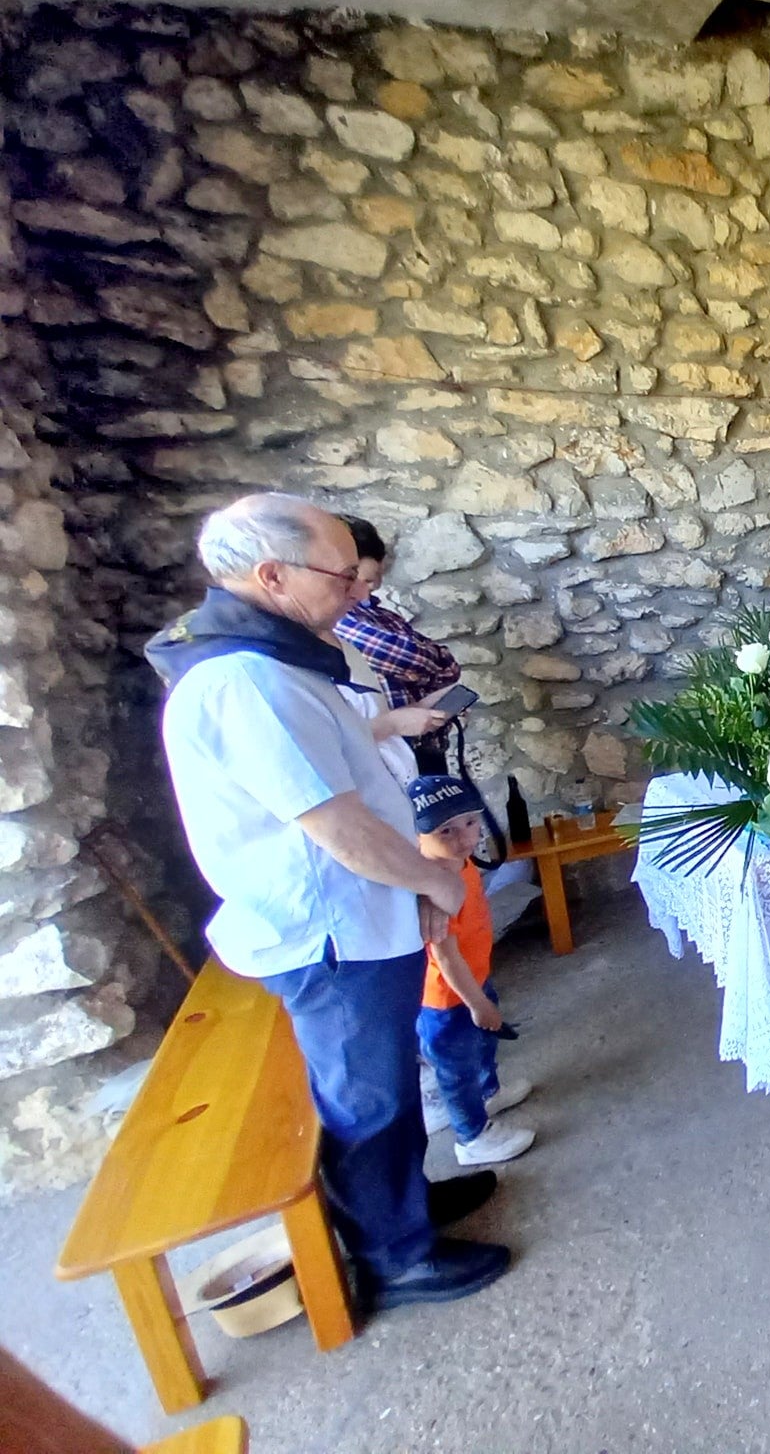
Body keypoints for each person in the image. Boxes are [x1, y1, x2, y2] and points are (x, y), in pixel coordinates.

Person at [149, 492, 509, 1311]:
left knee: (386, 1076)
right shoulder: (242, 682)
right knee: (367, 1096)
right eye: (343, 575)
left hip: (359, 915)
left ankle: (403, 1205)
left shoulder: (276, 660)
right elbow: (339, 827)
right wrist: (434, 881)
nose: (358, 591)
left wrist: (413, 892)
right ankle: (397, 1256)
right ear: (272, 575)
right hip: (329, 932)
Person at [408, 775, 536, 1167]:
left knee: (483, 1046)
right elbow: (445, 957)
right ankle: (471, 1136)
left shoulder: (458, 863)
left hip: (474, 978)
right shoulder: (433, 884)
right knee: (455, 1069)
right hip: (447, 1001)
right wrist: (478, 1003)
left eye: (469, 822)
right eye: (445, 830)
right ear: (418, 836)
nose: (464, 837)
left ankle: (488, 1092)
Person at [334, 516, 463, 776]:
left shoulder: (386, 617)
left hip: (425, 747)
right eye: (365, 581)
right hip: (389, 756)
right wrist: (429, 672)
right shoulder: (341, 620)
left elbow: (449, 668)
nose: (367, 592)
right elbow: (409, 655)